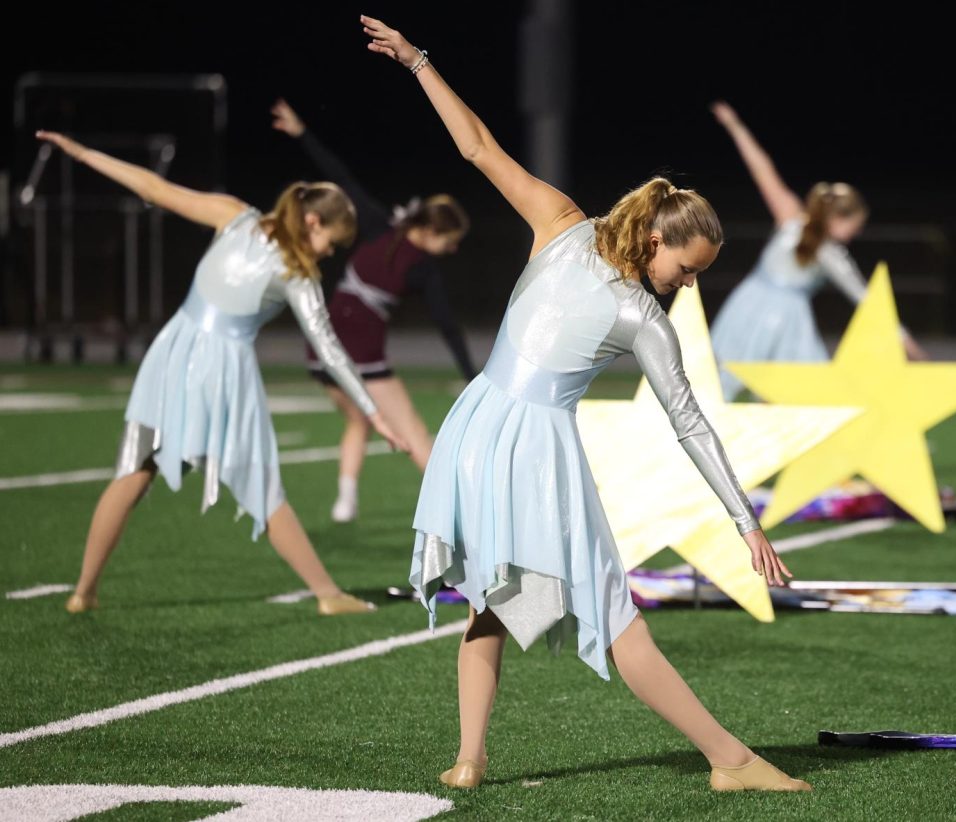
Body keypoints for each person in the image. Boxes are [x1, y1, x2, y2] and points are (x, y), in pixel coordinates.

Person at [360, 14, 811, 793]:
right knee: (614, 611)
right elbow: (691, 423)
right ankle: (729, 760)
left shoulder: (563, 225)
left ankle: (470, 760)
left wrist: (417, 62)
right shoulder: (629, 300)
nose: (689, 283)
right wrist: (746, 519)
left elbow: (477, 151)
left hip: (475, 422)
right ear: (659, 239)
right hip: (532, 446)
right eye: (689, 268)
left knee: (491, 596)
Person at [36, 130, 402, 616]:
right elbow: (330, 349)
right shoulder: (298, 272)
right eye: (330, 243)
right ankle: (328, 595)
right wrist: (374, 412)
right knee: (260, 482)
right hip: (222, 373)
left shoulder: (237, 217)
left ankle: (83, 591)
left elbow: (154, 190)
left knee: (133, 471)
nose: (328, 254)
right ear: (312, 221)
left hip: (172, 351)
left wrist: (84, 154)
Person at [270, 98, 477, 522]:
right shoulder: (405, 249)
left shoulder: (401, 246)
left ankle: (346, 500)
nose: (452, 251)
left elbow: (448, 326)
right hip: (360, 352)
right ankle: (464, 515)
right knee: (415, 433)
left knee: (362, 422)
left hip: (321, 344)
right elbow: (339, 177)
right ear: (433, 230)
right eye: (450, 242)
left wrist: (300, 132)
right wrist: (302, 133)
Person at [708, 100, 925, 400]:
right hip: (776, 314)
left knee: (754, 388)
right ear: (838, 218)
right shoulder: (818, 242)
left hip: (752, 304)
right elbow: (866, 298)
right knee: (744, 386)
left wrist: (736, 126)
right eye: (855, 225)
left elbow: (762, 169)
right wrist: (907, 343)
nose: (857, 233)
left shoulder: (798, 225)